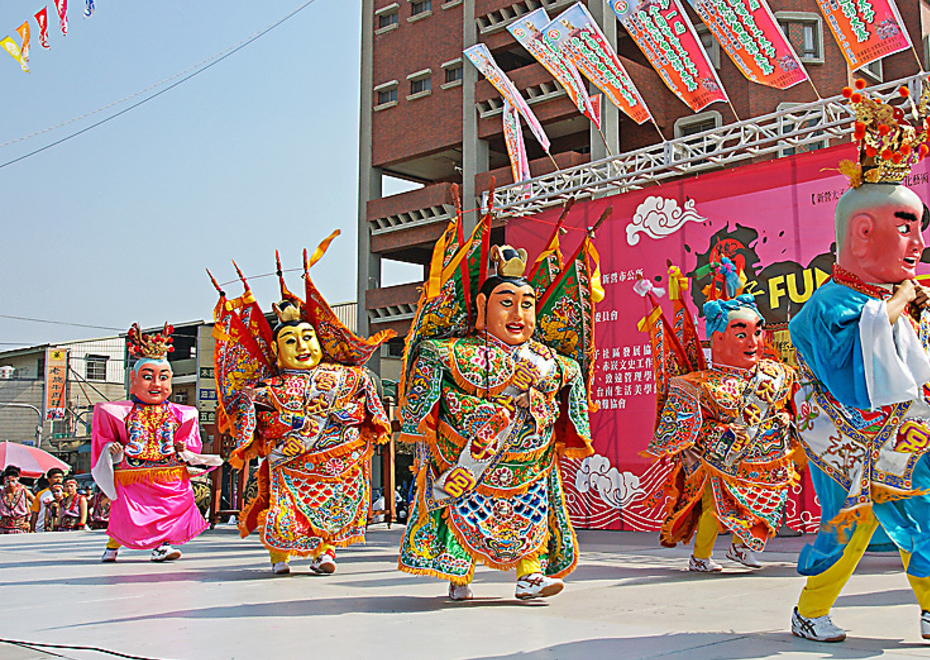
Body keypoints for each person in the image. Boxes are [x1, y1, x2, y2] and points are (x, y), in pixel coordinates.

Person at [788, 83, 930, 642]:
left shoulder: (907, 299)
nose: (917, 243)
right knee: (852, 528)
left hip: (913, 443)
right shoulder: (828, 306)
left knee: (929, 515)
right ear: (863, 234)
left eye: (919, 228)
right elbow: (855, 376)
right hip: (852, 447)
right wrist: (895, 306)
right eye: (906, 227)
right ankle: (811, 611)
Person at [399, 220, 599, 602]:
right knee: (459, 513)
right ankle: (459, 574)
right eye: (506, 303)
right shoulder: (454, 353)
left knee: (532, 516)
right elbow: (445, 399)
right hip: (471, 459)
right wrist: (488, 414)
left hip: (529, 464)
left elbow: (562, 406)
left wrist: (534, 402)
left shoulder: (551, 362)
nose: (518, 314)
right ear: (482, 306)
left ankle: (530, 575)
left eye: (527, 304)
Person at [213, 240, 391, 576]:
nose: (302, 346)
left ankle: (325, 552)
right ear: (276, 352)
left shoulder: (346, 376)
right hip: (291, 462)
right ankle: (279, 556)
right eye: (291, 341)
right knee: (284, 512)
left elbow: (367, 407)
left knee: (331, 510)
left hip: (337, 460)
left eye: (308, 337)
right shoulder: (268, 388)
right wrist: (276, 424)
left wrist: (354, 420)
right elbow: (256, 420)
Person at [643, 263, 799, 572]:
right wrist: (719, 437)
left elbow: (787, 407)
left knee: (764, 506)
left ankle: (743, 547)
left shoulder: (777, 374)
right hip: (721, 460)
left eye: (757, 332)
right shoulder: (697, 385)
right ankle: (701, 557)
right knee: (715, 509)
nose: (753, 342)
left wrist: (783, 419)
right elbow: (682, 429)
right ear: (718, 339)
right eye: (741, 334)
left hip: (764, 458)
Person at [92, 324, 215, 562]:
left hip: (168, 472)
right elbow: (104, 440)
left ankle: (163, 546)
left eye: (163, 377)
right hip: (132, 473)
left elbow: (189, 445)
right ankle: (112, 545)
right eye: (148, 377)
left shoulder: (184, 413)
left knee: (171, 509)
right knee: (126, 512)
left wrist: (184, 450)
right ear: (134, 379)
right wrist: (111, 449)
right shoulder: (115, 412)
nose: (156, 384)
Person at [0, 466, 36, 533]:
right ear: (4, 481)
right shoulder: (1, 493)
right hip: (3, 528)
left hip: (20, 527)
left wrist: (29, 522)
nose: (10, 484)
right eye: (8, 481)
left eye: (13, 481)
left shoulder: (23, 491)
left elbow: (36, 504)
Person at [32, 466, 66, 532]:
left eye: (60, 477)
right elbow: (35, 512)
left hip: (60, 528)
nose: (58, 479)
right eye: (56, 477)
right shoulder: (41, 494)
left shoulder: (65, 494)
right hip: (41, 528)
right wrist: (32, 528)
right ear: (49, 479)